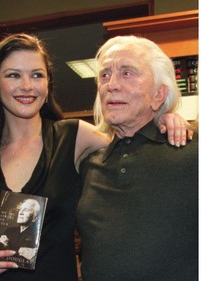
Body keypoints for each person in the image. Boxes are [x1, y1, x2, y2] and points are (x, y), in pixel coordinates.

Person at [0, 33, 191, 281]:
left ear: (48, 83)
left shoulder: (75, 137)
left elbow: (131, 141)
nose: (27, 86)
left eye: (37, 75)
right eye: (13, 75)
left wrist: (164, 116)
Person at [76, 35, 198, 281]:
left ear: (158, 95)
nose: (112, 85)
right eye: (104, 75)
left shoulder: (194, 147)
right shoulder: (88, 162)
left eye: (127, 73)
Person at [0, 198, 41, 263]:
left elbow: (32, 258)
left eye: (26, 210)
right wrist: (20, 250)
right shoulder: (10, 230)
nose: (20, 212)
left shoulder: (36, 235)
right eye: (20, 209)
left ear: (34, 218)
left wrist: (8, 246)